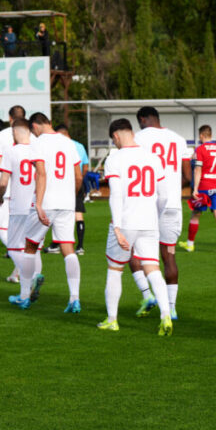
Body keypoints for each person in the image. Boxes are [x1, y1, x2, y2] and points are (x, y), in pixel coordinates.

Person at [98, 118, 173, 335]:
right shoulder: (152, 157)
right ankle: (165, 315)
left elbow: (116, 194)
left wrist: (117, 227)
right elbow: (164, 195)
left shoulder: (115, 158)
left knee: (115, 269)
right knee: (152, 267)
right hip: (149, 221)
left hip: (127, 221)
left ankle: (112, 319)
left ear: (115, 136)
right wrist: (155, 215)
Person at [130, 106, 191, 319]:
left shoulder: (138, 138)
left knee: (133, 251)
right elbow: (187, 176)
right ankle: (172, 308)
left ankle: (148, 295)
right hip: (172, 204)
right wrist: (172, 188)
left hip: (146, 204)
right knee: (169, 256)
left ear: (143, 119)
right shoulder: (178, 139)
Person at [27, 112, 83, 312]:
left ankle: (26, 292)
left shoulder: (38, 142)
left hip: (46, 200)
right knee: (68, 248)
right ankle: (74, 298)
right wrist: (71, 196)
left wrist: (39, 204)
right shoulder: (69, 142)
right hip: (66, 203)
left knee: (30, 245)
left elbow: (41, 173)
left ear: (35, 126)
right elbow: (78, 176)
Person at [0, 119, 41, 308]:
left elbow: (4, 181)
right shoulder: (39, 149)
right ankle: (24, 295)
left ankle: (32, 277)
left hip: (18, 207)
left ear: (15, 132)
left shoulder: (11, 151)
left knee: (14, 248)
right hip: (37, 206)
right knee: (33, 248)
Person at [179, 125, 216, 253]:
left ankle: (190, 244)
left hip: (204, 186)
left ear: (201, 135)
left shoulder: (200, 149)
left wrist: (195, 188)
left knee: (195, 215)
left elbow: (198, 169)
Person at [52, 123, 89, 255]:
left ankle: (56, 244)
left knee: (56, 211)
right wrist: (80, 178)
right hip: (77, 181)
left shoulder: (59, 146)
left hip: (62, 182)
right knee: (78, 213)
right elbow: (85, 166)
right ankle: (79, 246)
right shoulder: (79, 146)